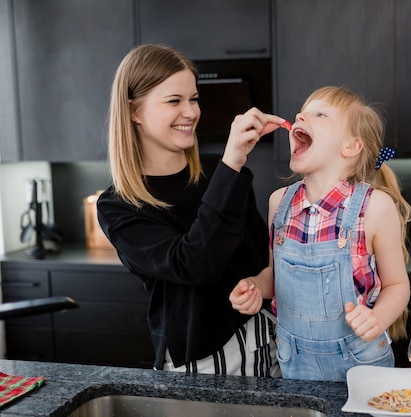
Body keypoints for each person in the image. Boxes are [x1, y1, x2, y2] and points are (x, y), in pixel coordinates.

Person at [97, 44, 287, 376]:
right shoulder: (118, 206)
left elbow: (263, 260)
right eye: (174, 101)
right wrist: (233, 163)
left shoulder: (220, 171)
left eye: (194, 99)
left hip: (267, 340)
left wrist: (258, 285)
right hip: (203, 361)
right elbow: (195, 264)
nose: (191, 112)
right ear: (133, 111)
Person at [229, 86, 411, 381]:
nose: (301, 116)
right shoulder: (279, 202)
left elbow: (397, 285)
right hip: (294, 361)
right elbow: (275, 276)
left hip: (361, 362)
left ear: (351, 146)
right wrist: (255, 287)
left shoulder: (375, 206)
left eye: (320, 114)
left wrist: (376, 319)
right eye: (302, 112)